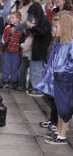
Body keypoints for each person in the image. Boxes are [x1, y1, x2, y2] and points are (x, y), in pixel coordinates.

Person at [41, 12, 73, 145]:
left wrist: (61, 71)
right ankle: (59, 131)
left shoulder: (70, 44)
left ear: (65, 28)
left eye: (56, 27)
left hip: (65, 79)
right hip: (58, 78)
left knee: (64, 108)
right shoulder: (58, 42)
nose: (53, 29)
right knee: (59, 107)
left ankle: (62, 135)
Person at [0, 12, 24, 88]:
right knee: (6, 65)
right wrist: (3, 46)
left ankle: (13, 81)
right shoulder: (7, 27)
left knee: (15, 67)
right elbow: (3, 38)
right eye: (10, 17)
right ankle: (5, 80)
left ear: (18, 19)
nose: (10, 19)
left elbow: (22, 40)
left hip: (16, 52)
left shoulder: (21, 29)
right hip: (7, 50)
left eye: (13, 18)